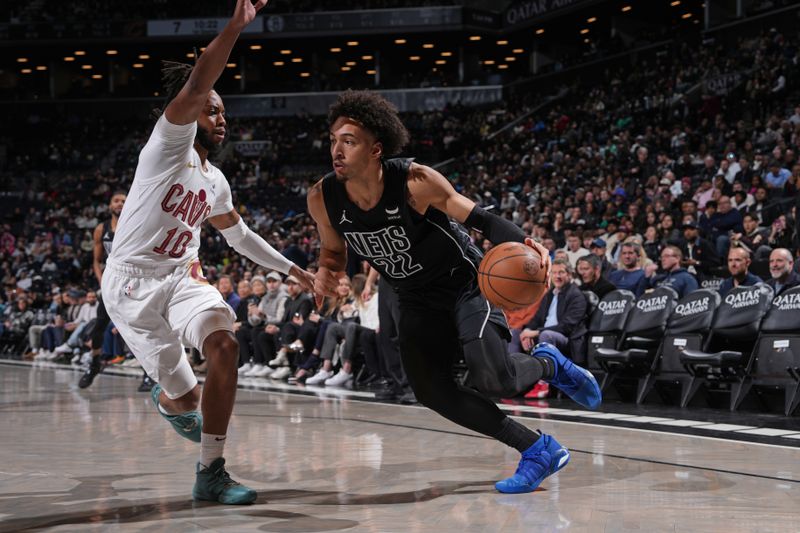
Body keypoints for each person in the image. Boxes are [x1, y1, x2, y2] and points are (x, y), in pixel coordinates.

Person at [307, 90, 601, 495]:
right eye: (333, 140)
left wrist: (527, 242)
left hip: (463, 284)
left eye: (349, 141)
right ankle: (537, 449)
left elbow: (481, 218)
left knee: (495, 380)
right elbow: (332, 250)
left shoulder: (414, 181)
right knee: (431, 390)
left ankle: (549, 364)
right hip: (412, 296)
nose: (336, 150)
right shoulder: (322, 197)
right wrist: (326, 272)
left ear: (375, 150)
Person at [102, 0, 314, 506]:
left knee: (224, 345)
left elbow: (238, 236)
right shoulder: (164, 147)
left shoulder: (214, 180)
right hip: (130, 284)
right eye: (212, 109)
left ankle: (211, 472)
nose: (222, 117)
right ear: (191, 109)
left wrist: (290, 269)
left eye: (223, 111)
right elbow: (198, 82)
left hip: (180, 277)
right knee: (187, 399)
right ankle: (171, 401)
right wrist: (236, 28)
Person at [77, 192, 154, 391]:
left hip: (133, 282)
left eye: (125, 201)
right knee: (99, 326)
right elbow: (96, 260)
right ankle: (94, 364)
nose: (120, 204)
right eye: (117, 201)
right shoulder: (101, 229)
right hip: (111, 282)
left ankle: (149, 373)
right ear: (110, 205)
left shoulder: (137, 224)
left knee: (139, 327)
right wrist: (102, 281)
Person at [520, 259, 588, 356]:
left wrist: (536, 332)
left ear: (569, 275)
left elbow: (566, 327)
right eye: (554, 272)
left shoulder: (576, 296)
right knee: (515, 333)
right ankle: (512, 369)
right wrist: (527, 331)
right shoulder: (549, 294)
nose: (557, 276)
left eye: (561, 272)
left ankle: (545, 369)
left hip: (567, 338)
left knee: (546, 335)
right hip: (544, 333)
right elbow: (537, 318)